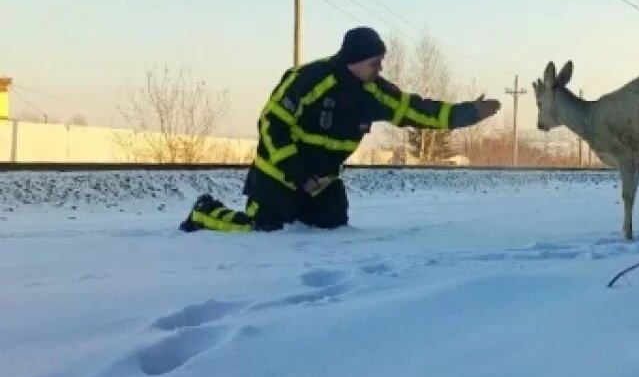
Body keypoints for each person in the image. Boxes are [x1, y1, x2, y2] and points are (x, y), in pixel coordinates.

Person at [179, 26, 501, 233]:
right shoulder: (308, 79)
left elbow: (419, 110)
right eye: (375, 62)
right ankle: (206, 212)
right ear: (354, 61)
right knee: (261, 232)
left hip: (321, 185)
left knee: (332, 230)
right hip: (278, 178)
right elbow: (272, 124)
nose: (380, 69)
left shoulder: (375, 93)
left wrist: (469, 113)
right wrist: (298, 174)